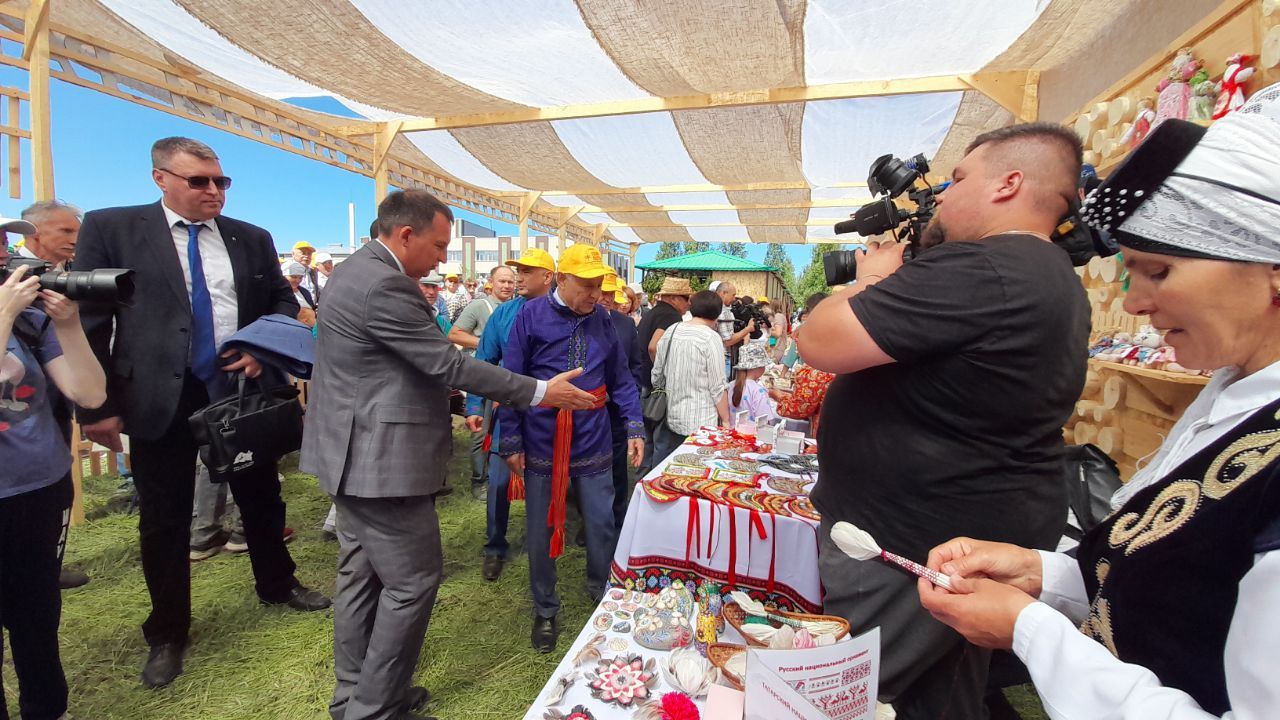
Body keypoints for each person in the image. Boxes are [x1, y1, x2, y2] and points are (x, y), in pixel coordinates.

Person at [918, 89, 1280, 720]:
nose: (1136, 303)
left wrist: (1032, 630)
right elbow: (1172, 580)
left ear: (1271, 268)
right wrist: (1043, 574)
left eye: (1160, 271)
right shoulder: (1229, 398)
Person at [798, 122, 1090, 719]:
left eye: (958, 179)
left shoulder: (988, 268)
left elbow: (819, 339)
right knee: (937, 698)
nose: (945, 195)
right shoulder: (1040, 271)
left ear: (1009, 184)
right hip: (946, 534)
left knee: (847, 700)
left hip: (911, 549)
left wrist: (872, 280)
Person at [302, 189, 593, 720]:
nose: (443, 258)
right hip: (380, 460)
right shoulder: (386, 284)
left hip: (349, 451)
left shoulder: (352, 271)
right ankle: (375, 708)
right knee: (411, 581)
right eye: (438, 246)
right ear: (405, 234)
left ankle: (357, 695)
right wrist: (538, 391)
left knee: (360, 575)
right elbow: (449, 365)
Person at [75, 136, 331, 690]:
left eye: (221, 181)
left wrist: (259, 347)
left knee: (261, 497)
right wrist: (95, 406)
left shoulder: (251, 237)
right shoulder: (111, 228)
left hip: (239, 391)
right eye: (199, 181)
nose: (213, 191)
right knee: (164, 517)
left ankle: (277, 583)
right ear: (160, 178)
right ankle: (168, 631)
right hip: (157, 399)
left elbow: (283, 304)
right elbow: (91, 324)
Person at [497, 244, 644, 653]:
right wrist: (510, 439)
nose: (595, 294)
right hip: (542, 438)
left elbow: (621, 380)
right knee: (541, 530)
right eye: (587, 285)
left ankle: (603, 596)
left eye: (599, 285)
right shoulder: (530, 315)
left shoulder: (606, 321)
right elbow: (510, 379)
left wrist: (634, 425)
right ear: (561, 279)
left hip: (594, 438)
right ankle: (545, 609)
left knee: (600, 524)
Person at [0, 237, 106, 720]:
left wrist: (66, 324)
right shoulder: (10, 314)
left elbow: (89, 393)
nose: (5, 257)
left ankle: (47, 709)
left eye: (3, 246)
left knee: (36, 614)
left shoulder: (30, 319)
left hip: (39, 487)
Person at [466, 248, 557, 581]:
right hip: (508, 414)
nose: (518, 276)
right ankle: (495, 547)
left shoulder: (564, 314)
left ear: (547, 276)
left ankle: (544, 545)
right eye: (516, 270)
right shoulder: (503, 315)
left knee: (547, 484)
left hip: (548, 417)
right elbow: (483, 364)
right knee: (500, 483)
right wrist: (475, 405)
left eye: (526, 270)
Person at [16, 201, 91, 591]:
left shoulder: (59, 276)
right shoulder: (16, 282)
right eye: (65, 232)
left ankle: (47, 560)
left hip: (52, 400)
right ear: (34, 235)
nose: (74, 240)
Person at [451, 265, 517, 498]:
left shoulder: (516, 307)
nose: (507, 286)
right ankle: (479, 481)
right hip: (484, 377)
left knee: (502, 431)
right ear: (491, 282)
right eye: (502, 281)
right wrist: (488, 344)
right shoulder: (480, 306)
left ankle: (503, 479)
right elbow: (455, 334)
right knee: (480, 430)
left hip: (507, 380)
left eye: (510, 281)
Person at [652, 290, 732, 460]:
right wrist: (726, 420)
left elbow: (657, 373)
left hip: (671, 416)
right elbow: (717, 386)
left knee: (668, 474)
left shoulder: (672, 330)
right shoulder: (711, 338)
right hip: (701, 423)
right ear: (717, 314)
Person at [601, 274, 645, 531]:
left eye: (610, 293)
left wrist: (629, 395)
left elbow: (635, 366)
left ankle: (618, 517)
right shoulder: (578, 323)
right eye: (602, 292)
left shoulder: (625, 325)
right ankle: (591, 519)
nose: (606, 298)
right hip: (586, 410)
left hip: (618, 411)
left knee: (618, 467)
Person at [770, 294, 835, 433]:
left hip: (829, 434)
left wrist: (778, 397)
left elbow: (800, 408)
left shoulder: (815, 372)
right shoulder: (840, 359)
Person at [18, 200, 80, 270]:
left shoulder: (66, 274)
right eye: (66, 231)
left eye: (79, 233)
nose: (75, 241)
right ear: (33, 231)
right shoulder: (5, 275)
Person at [712, 281, 754, 379]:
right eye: (733, 295)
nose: (734, 298)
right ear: (723, 293)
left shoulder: (713, 308)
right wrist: (748, 329)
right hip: (723, 359)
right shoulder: (723, 312)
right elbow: (727, 341)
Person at [728, 342, 776, 424]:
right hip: (753, 435)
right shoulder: (758, 390)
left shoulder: (730, 385)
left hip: (732, 433)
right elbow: (765, 421)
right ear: (758, 367)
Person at [283, 261, 318, 326]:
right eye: (294, 276)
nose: (298, 280)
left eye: (300, 277)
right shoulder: (278, 294)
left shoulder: (304, 292)